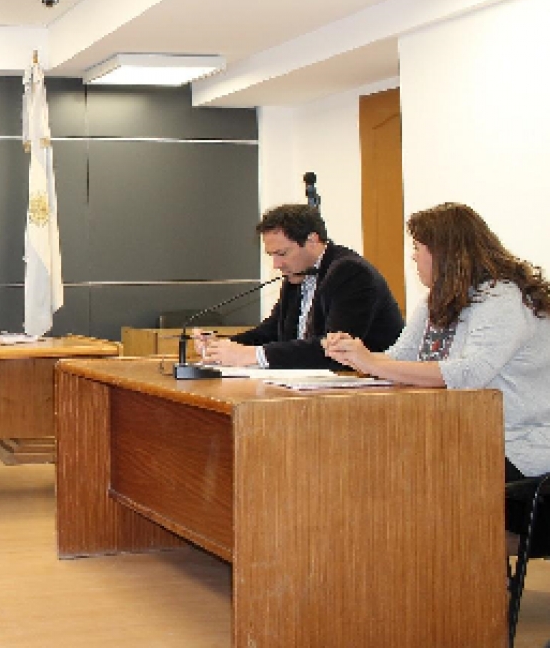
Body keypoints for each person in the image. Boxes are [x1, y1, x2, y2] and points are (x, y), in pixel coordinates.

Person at [324, 204, 550, 535]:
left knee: (406, 477)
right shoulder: (437, 300)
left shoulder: (501, 297)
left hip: (515, 444)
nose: (414, 257)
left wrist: (371, 363)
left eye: (418, 247)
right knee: (374, 462)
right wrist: (355, 356)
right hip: (462, 435)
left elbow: (470, 373)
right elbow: (400, 358)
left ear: (445, 252)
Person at [200, 203, 404, 369]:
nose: (276, 264)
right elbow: (271, 331)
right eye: (271, 255)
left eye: (282, 253)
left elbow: (336, 349)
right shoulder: (297, 273)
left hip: (369, 389)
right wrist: (222, 347)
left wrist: (253, 355)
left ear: (312, 240)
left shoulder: (351, 273)